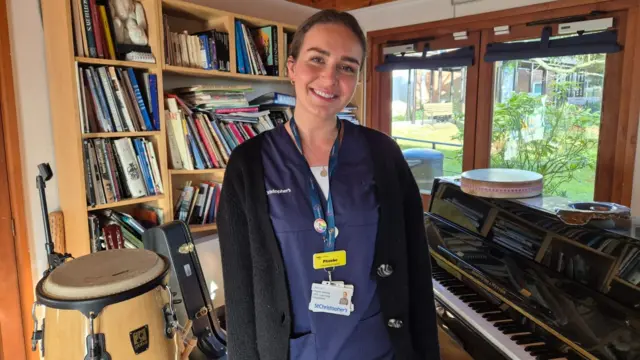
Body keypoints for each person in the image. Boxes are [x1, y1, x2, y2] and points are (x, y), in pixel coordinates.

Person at [217, 9, 441, 360]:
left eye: (347, 67)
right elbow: (240, 287)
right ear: (291, 68)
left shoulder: (383, 154)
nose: (329, 77)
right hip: (296, 349)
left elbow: (415, 266)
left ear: (357, 79)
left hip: (379, 347)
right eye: (317, 59)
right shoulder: (249, 163)